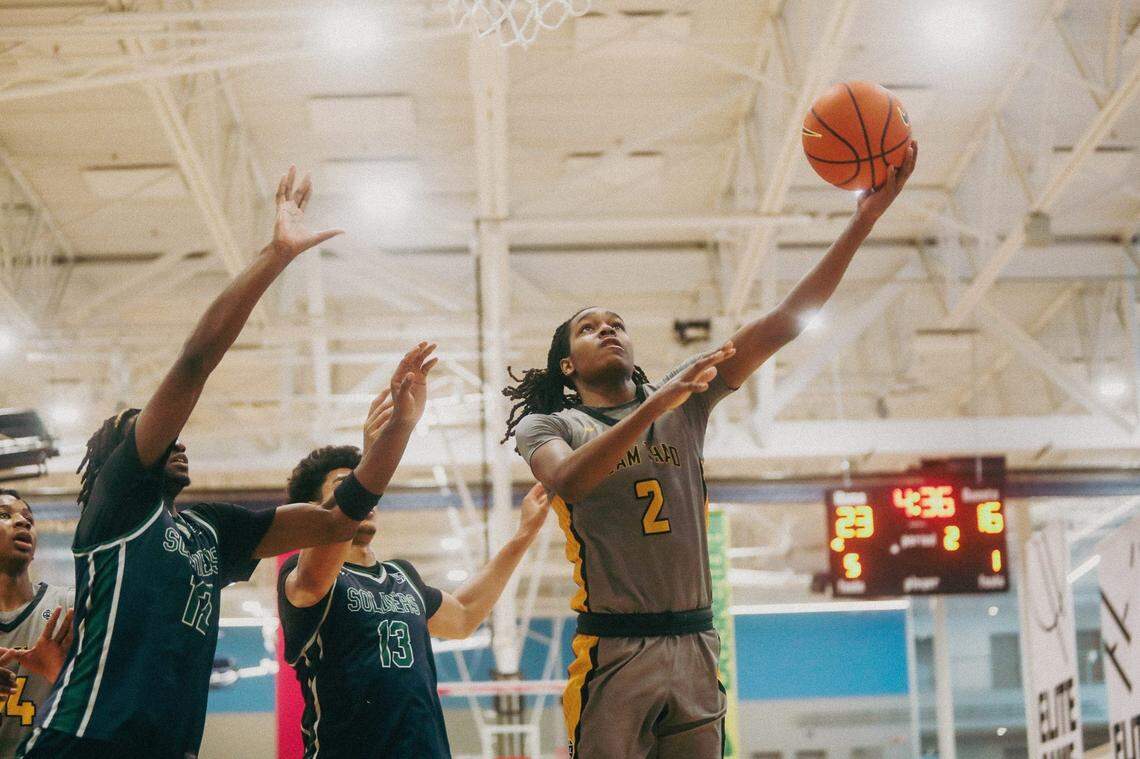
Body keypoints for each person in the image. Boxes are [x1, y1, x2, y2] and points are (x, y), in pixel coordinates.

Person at [502, 143, 918, 758]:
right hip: (615, 649)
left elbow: (783, 321)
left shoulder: (685, 397)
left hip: (696, 643)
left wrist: (863, 222)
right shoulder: (549, 424)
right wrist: (653, 407)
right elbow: (569, 484)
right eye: (590, 327)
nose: (609, 329)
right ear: (568, 365)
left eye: (616, 322)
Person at [19, 168, 438, 759]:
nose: (170, 438)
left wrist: (397, 432)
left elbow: (338, 521)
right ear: (119, 458)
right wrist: (275, 256)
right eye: (142, 431)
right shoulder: (119, 507)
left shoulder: (211, 531)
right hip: (86, 739)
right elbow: (194, 363)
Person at [278, 388, 552, 758]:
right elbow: (314, 575)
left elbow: (465, 615)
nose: (366, 498)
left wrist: (523, 536)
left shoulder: (402, 575)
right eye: (347, 487)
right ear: (313, 508)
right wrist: (373, 457)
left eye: (367, 489)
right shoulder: (302, 573)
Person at [0, 489, 73, 758]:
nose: (22, 522)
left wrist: (64, 675)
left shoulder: (68, 607)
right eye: (4, 515)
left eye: (28, 519)